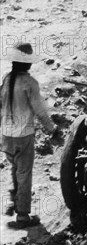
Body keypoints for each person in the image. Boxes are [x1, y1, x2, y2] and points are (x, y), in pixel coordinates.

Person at [0, 43, 57, 227]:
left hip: (6, 134)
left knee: (14, 168)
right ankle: (23, 215)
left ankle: (12, 201)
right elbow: (39, 110)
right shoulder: (29, 83)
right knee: (24, 173)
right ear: (28, 64)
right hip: (23, 134)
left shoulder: (7, 78)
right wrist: (51, 128)